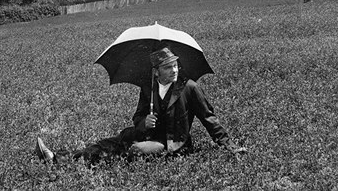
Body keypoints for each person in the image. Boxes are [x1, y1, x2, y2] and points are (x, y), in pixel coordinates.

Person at [35, 47, 246, 164]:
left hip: (170, 142)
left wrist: (230, 146)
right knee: (109, 142)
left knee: (134, 150)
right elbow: (137, 117)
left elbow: (209, 118)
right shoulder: (149, 88)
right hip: (145, 133)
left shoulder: (189, 88)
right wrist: (144, 121)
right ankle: (58, 157)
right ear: (156, 71)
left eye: (175, 66)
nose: (174, 71)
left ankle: (83, 165)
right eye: (168, 67)